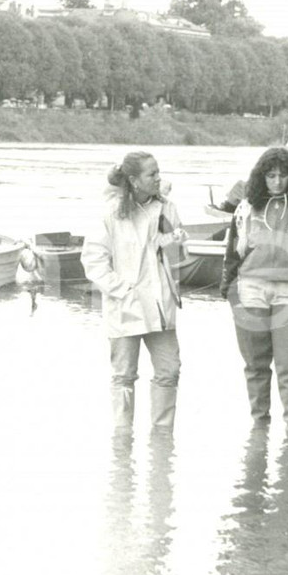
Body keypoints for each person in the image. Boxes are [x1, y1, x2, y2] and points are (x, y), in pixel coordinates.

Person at [220, 147, 288, 432]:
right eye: (271, 175)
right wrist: (228, 290)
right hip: (250, 289)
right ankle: (260, 427)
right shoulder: (245, 209)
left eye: (283, 175)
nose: (277, 181)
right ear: (261, 177)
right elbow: (232, 253)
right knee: (255, 364)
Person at [82, 151, 186, 432]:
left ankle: (162, 440)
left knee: (169, 371)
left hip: (161, 308)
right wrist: (123, 290)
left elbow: (177, 256)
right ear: (133, 180)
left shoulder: (167, 208)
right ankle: (122, 440)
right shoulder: (110, 213)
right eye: (152, 174)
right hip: (124, 307)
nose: (159, 178)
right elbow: (93, 262)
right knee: (124, 376)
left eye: (158, 172)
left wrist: (176, 242)